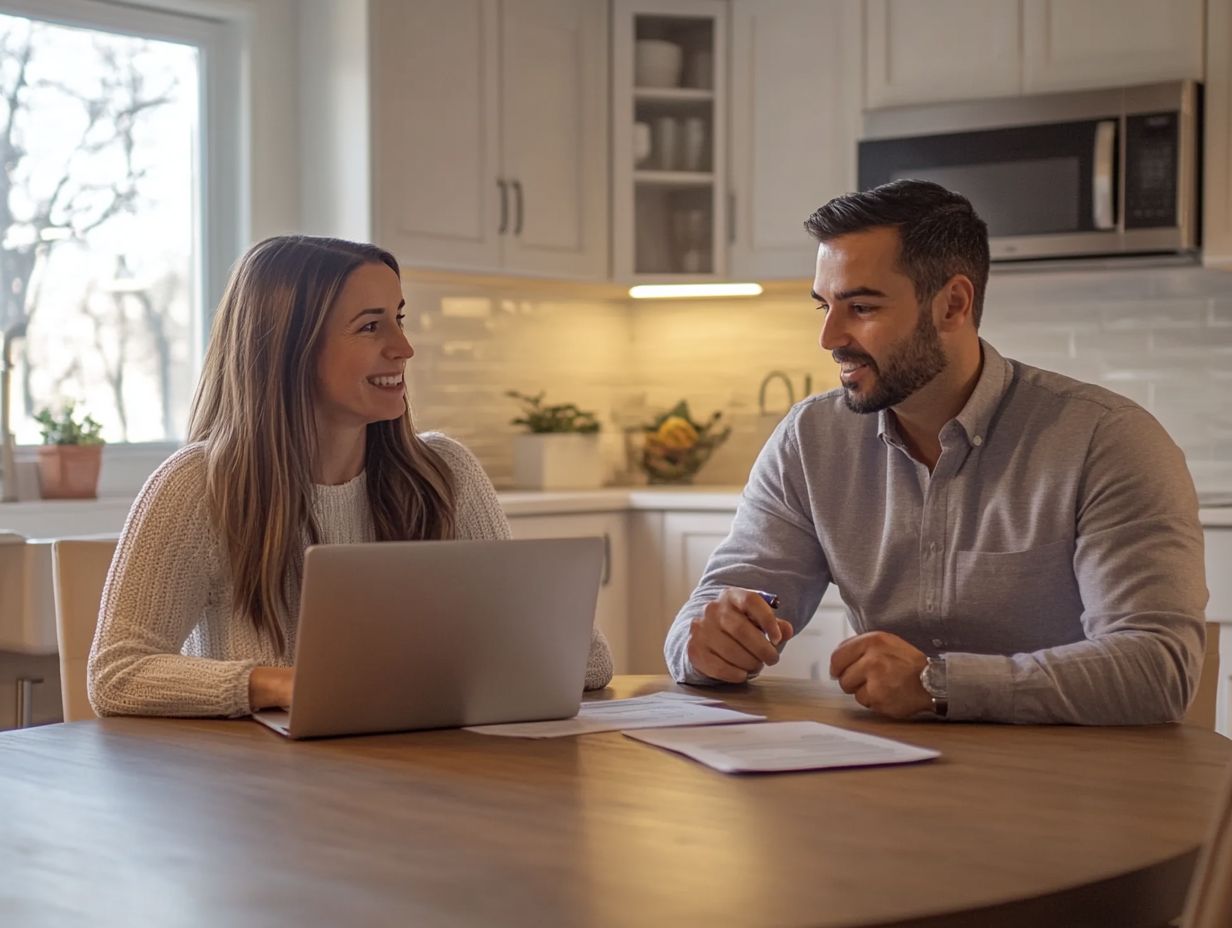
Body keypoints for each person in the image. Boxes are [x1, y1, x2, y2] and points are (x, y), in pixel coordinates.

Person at [664, 180, 1206, 725]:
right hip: (888, 770)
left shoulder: (1107, 441)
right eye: (824, 306)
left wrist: (939, 684)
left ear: (953, 304)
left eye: (861, 306)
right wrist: (708, 643)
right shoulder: (811, 440)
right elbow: (722, 601)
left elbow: (1157, 669)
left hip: (1086, 784)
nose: (830, 337)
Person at [89, 235, 613, 717]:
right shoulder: (198, 487)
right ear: (289, 349)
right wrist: (280, 686)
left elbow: (590, 665)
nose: (403, 348)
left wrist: (533, 645)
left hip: (424, 778)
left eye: (399, 319)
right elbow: (116, 674)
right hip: (258, 795)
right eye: (370, 326)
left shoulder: (444, 475)